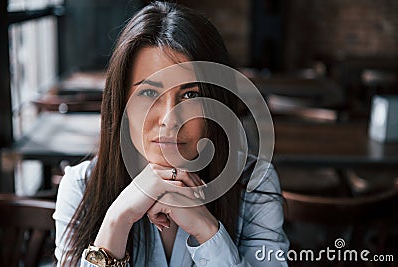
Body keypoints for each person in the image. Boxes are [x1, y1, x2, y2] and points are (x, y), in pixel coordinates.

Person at [53, 1, 289, 266]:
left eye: (191, 95)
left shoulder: (254, 183)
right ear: (122, 107)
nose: (169, 119)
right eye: (149, 93)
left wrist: (206, 230)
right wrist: (117, 221)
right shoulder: (81, 186)